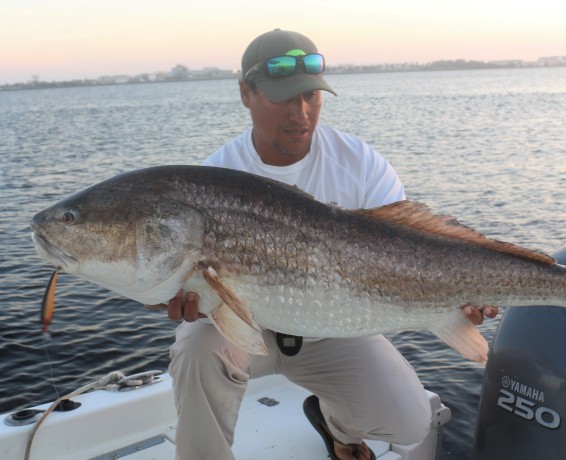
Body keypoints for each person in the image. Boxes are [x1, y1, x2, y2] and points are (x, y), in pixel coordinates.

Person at [155, 29, 498, 460]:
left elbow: (416, 252)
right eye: (283, 98)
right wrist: (170, 297)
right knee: (196, 348)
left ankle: (335, 425)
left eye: (311, 97)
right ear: (245, 93)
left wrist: (460, 296)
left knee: (411, 421)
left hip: (332, 323)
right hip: (240, 324)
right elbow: (170, 281)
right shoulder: (213, 179)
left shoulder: (359, 164)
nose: (300, 113)